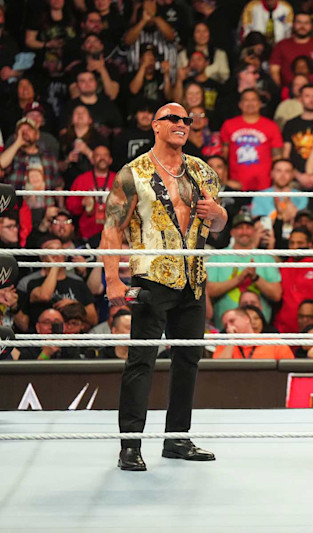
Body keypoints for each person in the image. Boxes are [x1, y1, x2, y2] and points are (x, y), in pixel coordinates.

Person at [102, 103, 228, 472]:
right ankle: (130, 445)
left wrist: (220, 216)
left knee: (189, 359)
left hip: (193, 281)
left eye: (186, 120)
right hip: (151, 280)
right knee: (141, 361)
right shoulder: (133, 173)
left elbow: (219, 226)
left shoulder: (203, 172)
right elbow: (112, 228)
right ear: (155, 125)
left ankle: (177, 438)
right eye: (173, 118)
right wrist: (112, 278)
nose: (182, 124)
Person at [206, 213, 282, 328]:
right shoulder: (217, 257)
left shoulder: (266, 258)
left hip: (259, 332)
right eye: (240, 228)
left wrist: (255, 277)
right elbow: (209, 291)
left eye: (248, 228)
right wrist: (240, 278)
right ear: (232, 232)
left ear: (254, 232)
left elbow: (277, 294)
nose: (244, 231)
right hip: (225, 330)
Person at [220, 89, 283, 191]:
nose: (250, 103)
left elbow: (277, 157)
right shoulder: (229, 125)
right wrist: (225, 180)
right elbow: (223, 157)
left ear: (260, 104)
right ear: (240, 104)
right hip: (236, 185)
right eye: (246, 100)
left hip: (264, 185)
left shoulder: (271, 126)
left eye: (253, 100)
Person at [268, 12, 313, 88]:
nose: (302, 26)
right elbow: (274, 71)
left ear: (311, 26)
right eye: (299, 22)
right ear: (293, 24)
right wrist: (280, 91)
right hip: (287, 93)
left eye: (306, 23)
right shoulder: (281, 45)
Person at [212, 308, 294, 359]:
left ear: (246, 319)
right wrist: (231, 341)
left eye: (232, 321)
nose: (229, 327)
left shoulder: (274, 343)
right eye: (226, 325)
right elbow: (218, 373)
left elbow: (290, 372)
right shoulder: (223, 347)